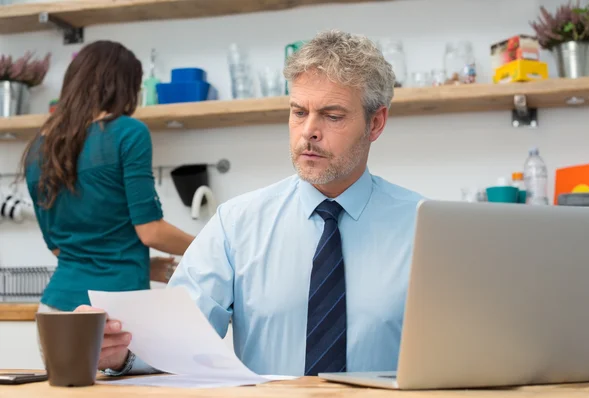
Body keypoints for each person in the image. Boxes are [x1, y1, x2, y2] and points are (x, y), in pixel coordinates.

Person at [81, 30, 425, 377]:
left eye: (332, 116)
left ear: (375, 123)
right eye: (298, 112)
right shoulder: (236, 223)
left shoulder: (426, 228)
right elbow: (177, 340)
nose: (309, 131)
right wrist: (120, 352)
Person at [20, 40, 195, 314]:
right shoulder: (128, 132)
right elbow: (151, 231)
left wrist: (143, 266)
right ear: (123, 87)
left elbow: (62, 250)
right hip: (115, 310)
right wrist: (210, 246)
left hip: (54, 308)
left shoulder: (39, 148)